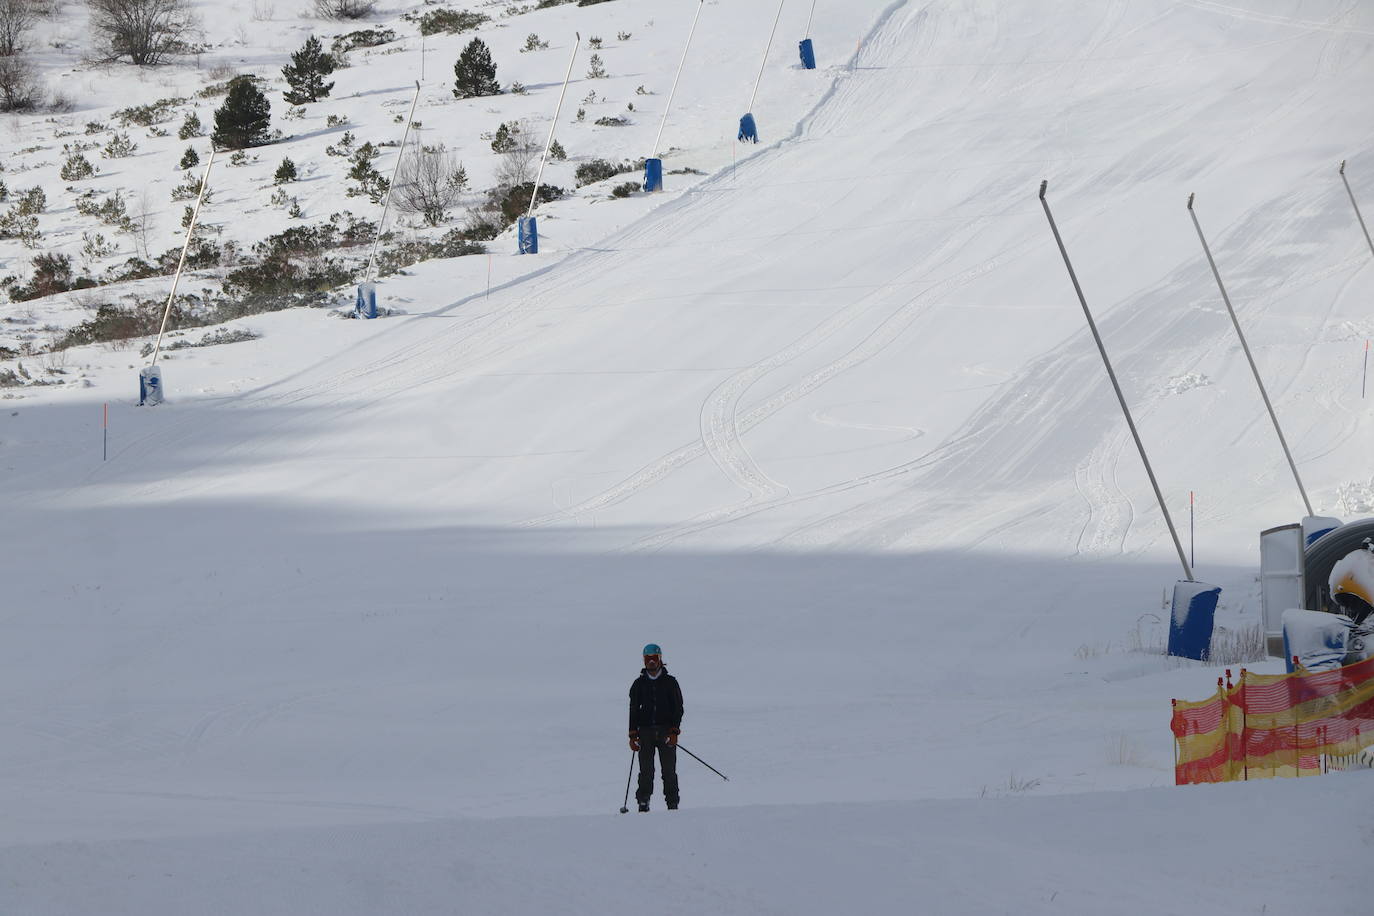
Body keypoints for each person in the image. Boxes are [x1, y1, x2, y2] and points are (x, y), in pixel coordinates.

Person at [628, 643, 684, 812]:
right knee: (646, 771)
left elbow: (678, 708)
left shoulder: (670, 682)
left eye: (654, 658)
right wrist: (632, 735)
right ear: (644, 660)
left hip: (666, 731)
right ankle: (643, 802)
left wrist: (674, 731)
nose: (651, 662)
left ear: (660, 659)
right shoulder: (638, 684)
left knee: (669, 770)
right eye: (648, 659)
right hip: (644, 733)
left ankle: (672, 803)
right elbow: (633, 710)